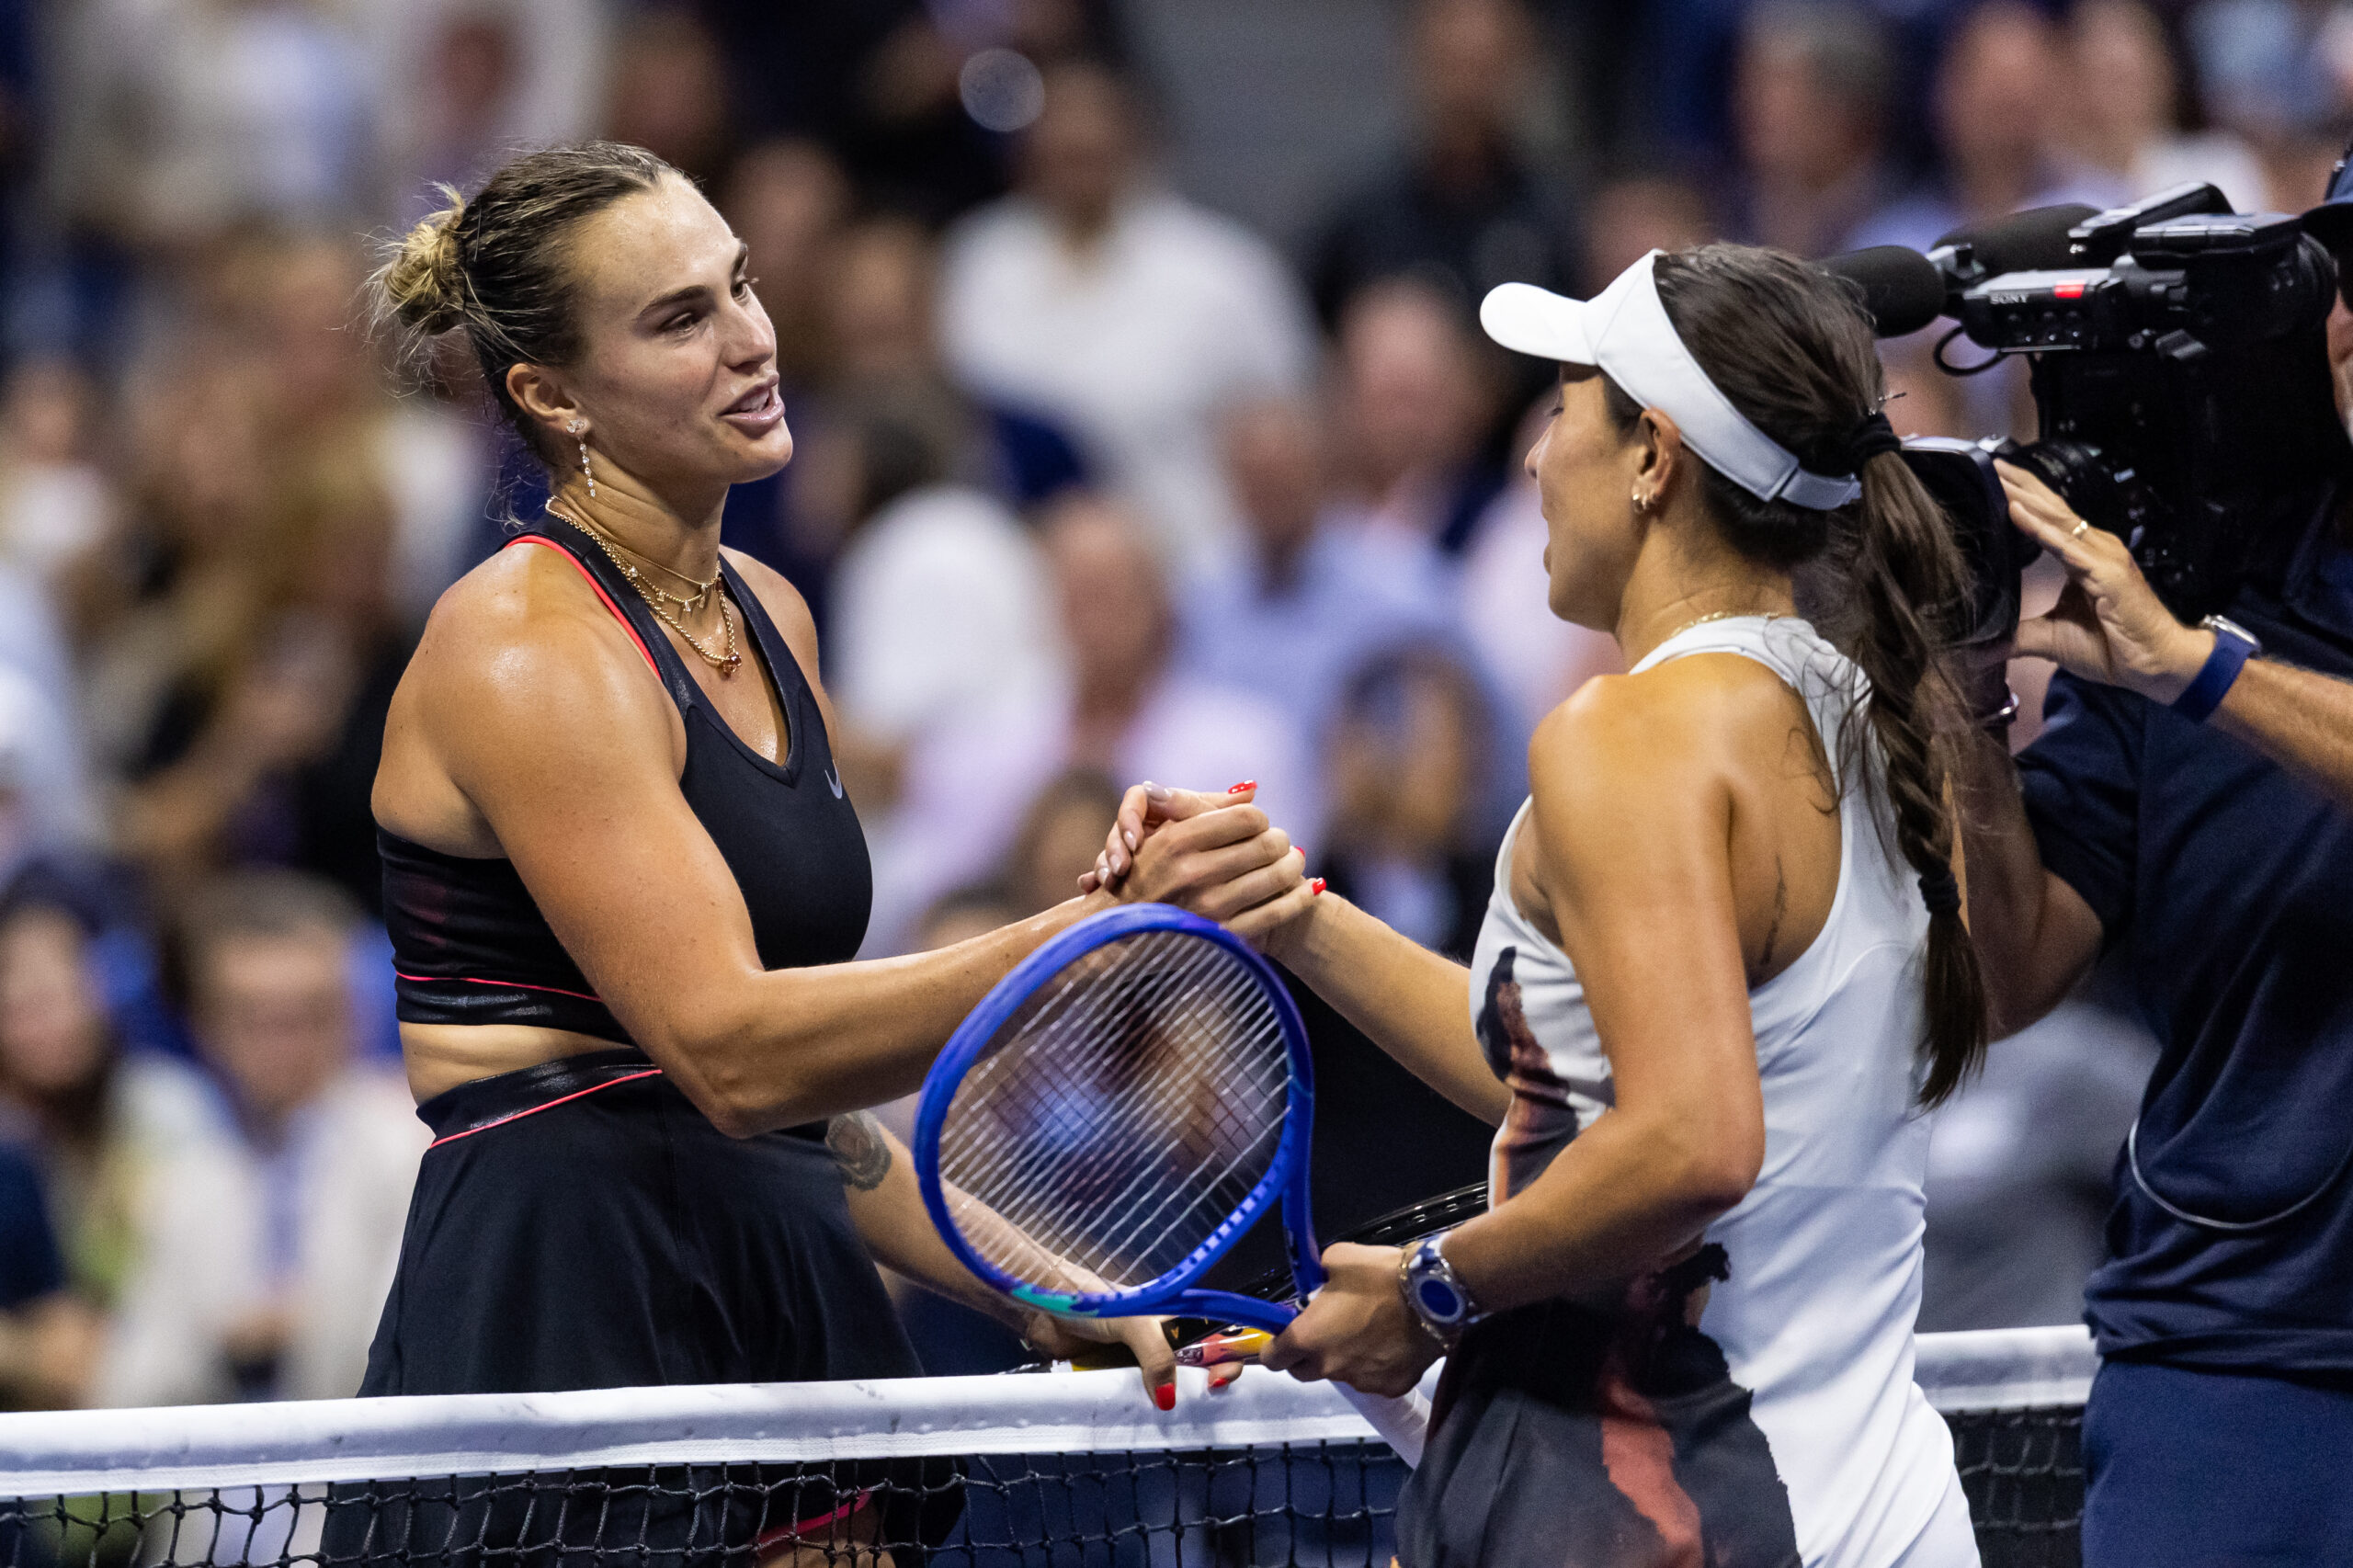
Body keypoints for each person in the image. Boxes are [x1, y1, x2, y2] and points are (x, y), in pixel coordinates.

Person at [359, 144, 1305, 1506]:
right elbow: (731, 1055)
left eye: (740, 287)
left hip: (773, 1278)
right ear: (551, 394)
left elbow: (800, 1116)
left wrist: (1028, 1274)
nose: (752, 339)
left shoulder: (773, 613)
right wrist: (1095, 925)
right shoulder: (524, 647)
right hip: (562, 1313)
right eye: (682, 319)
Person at [1096, 244, 1987, 1564]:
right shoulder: (1871, 718)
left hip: (1680, 1514)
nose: (1531, 458)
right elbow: (1576, 1082)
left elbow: (1691, 1142)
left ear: (1652, 456)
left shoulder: (1627, 733)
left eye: (1563, 404)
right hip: (1888, 1516)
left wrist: (1430, 1286)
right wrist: (1291, 911)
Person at [1944, 172, 2353, 1548]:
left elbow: (2192, 673)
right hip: (2236, 1355)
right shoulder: (2190, 583)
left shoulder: (2186, 645)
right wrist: (1969, 703)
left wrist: (2199, 673)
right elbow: (2015, 971)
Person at [938, 60, 1316, 579]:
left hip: (1187, 578)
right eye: (1062, 123)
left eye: (1096, 123)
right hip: (1014, 584)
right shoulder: (976, 264)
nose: (1078, 142)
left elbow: (1291, 434)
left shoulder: (1224, 275)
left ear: (1138, 136)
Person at [169, 870, 429, 1402]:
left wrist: (311, 1327)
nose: (283, 1044)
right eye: (255, 1019)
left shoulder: (409, 1146)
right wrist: (222, 1348)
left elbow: (419, 1350)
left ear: (354, 1013)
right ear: (206, 1027)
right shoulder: (188, 1179)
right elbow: (135, 1384)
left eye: (307, 1016)